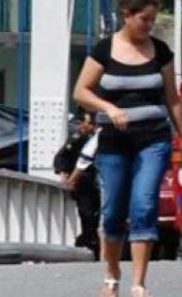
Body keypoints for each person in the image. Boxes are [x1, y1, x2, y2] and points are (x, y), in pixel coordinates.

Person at [72, 0, 182, 297]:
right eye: (144, 19)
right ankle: (112, 276)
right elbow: (81, 91)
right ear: (127, 15)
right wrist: (108, 108)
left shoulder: (161, 52)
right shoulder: (104, 49)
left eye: (153, 20)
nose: (149, 26)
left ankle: (139, 283)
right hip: (114, 142)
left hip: (153, 140)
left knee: (144, 205)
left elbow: (173, 99)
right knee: (113, 209)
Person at [53, 110, 101, 258]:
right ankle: (90, 241)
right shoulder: (78, 137)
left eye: (88, 123)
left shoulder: (102, 137)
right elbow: (62, 157)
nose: (85, 126)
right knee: (87, 213)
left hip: (100, 181)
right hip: (85, 182)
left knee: (99, 214)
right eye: (84, 122)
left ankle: (93, 240)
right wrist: (64, 175)